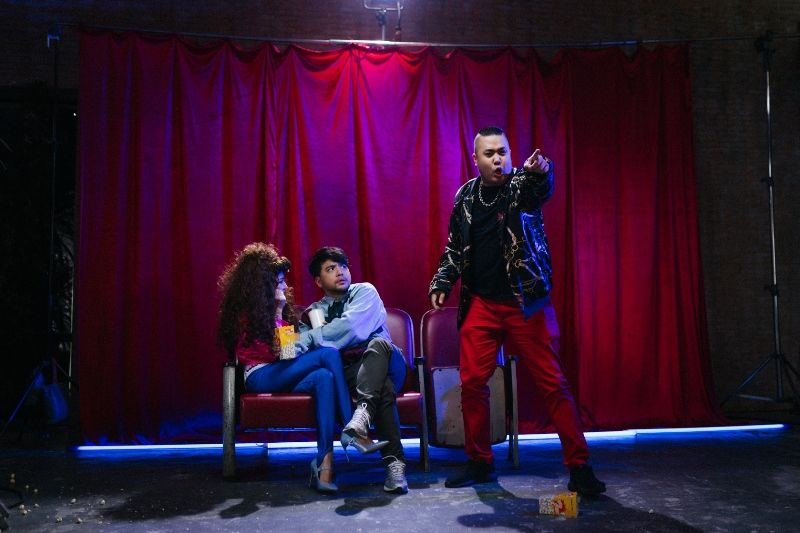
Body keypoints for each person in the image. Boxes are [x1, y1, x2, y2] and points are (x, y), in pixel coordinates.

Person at [428, 126, 606, 495]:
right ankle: (479, 462)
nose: (498, 159)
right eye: (490, 153)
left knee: (553, 383)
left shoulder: (520, 186)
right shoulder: (465, 196)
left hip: (525, 303)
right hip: (481, 303)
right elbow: (454, 247)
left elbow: (539, 188)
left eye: (503, 152)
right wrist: (442, 281)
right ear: (475, 159)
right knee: (472, 385)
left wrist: (541, 171)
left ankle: (580, 467)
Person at [217, 242, 355, 494]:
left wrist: (281, 312)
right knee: (328, 353)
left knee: (323, 377)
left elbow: (288, 354)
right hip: (259, 376)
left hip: (281, 374)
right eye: (278, 282)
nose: (283, 286)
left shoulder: (282, 310)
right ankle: (351, 426)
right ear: (263, 285)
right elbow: (272, 354)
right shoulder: (244, 315)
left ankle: (324, 465)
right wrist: (278, 313)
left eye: (282, 281)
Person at [295, 246, 410, 494]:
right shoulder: (311, 314)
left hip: (389, 362)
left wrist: (317, 336)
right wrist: (313, 338)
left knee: (378, 345)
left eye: (343, 266)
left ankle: (362, 414)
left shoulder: (364, 292)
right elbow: (301, 349)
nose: (340, 272)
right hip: (354, 375)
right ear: (318, 281)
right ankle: (395, 465)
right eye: (331, 268)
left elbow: (353, 328)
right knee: (382, 388)